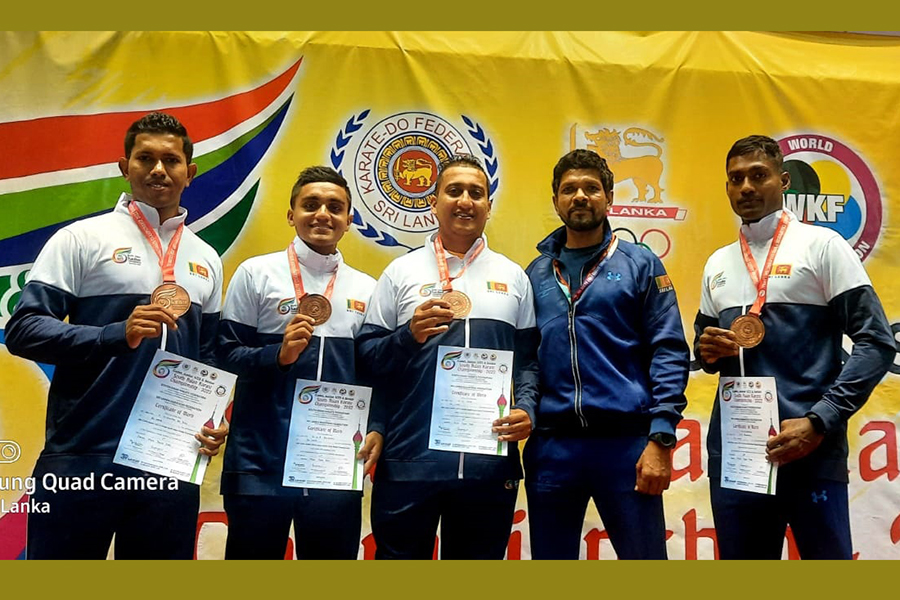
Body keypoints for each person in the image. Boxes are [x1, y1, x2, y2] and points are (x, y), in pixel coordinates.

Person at [5, 112, 228, 559]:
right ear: (125, 168)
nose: (159, 169)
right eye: (145, 158)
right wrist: (112, 335)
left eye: (171, 159)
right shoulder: (81, 239)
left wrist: (216, 418)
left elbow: (209, 356)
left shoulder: (207, 258)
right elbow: (23, 329)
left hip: (169, 459)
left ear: (190, 171)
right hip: (83, 454)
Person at [694, 134, 895, 559]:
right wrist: (708, 349)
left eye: (758, 175)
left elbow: (876, 342)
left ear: (784, 181)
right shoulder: (717, 263)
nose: (746, 187)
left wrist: (820, 420)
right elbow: (703, 350)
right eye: (735, 179)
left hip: (809, 448)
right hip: (740, 453)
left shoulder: (823, 247)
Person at [357, 154, 540, 559]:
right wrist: (408, 336)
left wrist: (527, 406)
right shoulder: (400, 273)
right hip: (408, 461)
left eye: (476, 193)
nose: (465, 201)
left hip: (488, 465)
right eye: (454, 191)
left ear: (489, 207)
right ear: (433, 201)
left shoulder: (514, 277)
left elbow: (528, 361)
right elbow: (368, 358)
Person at [524, 148, 689, 560]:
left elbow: (668, 350)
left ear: (609, 197)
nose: (580, 196)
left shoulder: (641, 263)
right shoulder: (536, 273)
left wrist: (661, 437)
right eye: (569, 189)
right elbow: (526, 357)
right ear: (556, 201)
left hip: (627, 445)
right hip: (552, 447)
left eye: (591, 188)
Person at [216, 166, 380, 559]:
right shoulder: (255, 273)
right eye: (310, 204)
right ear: (291, 214)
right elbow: (224, 356)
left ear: (348, 220)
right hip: (259, 461)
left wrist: (376, 426)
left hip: (334, 463)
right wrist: (279, 355)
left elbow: (375, 372)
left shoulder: (367, 288)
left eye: (334, 207)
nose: (322, 213)